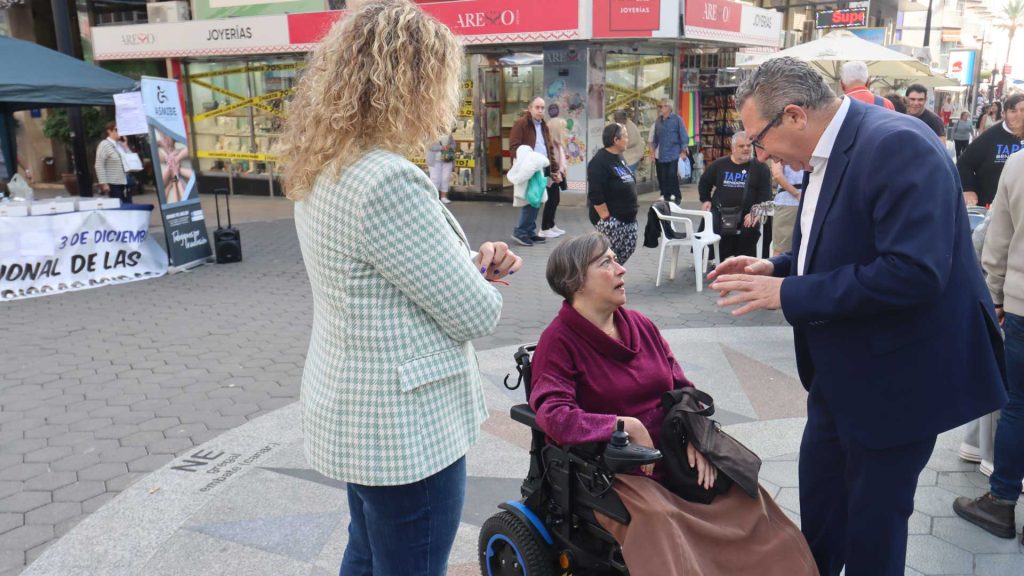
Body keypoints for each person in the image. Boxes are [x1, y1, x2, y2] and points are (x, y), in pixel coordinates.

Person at [707, 57, 1007, 576]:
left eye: (758, 139)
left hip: (895, 380)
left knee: (873, 526)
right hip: (840, 375)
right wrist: (777, 265)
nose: (759, 154)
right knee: (822, 512)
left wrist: (789, 292)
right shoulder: (828, 153)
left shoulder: (897, 144)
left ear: (796, 116)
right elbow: (840, 243)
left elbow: (913, 272)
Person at [275, 2, 523, 574]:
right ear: (413, 84)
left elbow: (377, 274)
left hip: (357, 408)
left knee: (365, 550)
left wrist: (464, 263)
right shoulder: (389, 178)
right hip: (406, 427)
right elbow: (475, 315)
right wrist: (480, 280)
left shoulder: (329, 163)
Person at [530, 232, 819, 576]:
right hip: (610, 468)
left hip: (671, 448)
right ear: (575, 281)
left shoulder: (641, 325)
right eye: (606, 263)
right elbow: (553, 414)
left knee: (743, 494)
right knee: (662, 522)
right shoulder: (559, 341)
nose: (621, 269)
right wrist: (623, 426)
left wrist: (696, 434)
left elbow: (682, 386)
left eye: (616, 259)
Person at [954, 151, 1024, 543]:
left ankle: (1001, 501)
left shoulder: (1018, 164)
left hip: (1021, 304)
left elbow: (997, 241)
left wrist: (995, 295)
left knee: (1018, 404)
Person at [698, 131, 772, 261]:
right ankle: (720, 259)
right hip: (721, 210)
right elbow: (704, 182)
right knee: (713, 226)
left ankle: (742, 260)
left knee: (750, 227)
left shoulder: (760, 167)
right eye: (741, 146)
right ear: (732, 148)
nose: (746, 149)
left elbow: (765, 194)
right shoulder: (719, 164)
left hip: (747, 212)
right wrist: (705, 200)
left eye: (749, 146)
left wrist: (756, 211)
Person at [957, 93, 1024, 208]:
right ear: (1004, 114)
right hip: (992, 205)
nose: (1020, 115)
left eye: (1023, 110)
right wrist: (968, 189)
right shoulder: (990, 136)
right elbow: (964, 163)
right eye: (1013, 111)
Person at [509, 96, 560, 246]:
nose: (540, 110)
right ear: (530, 108)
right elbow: (513, 147)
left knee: (536, 200)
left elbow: (548, 148)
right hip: (530, 168)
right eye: (537, 107)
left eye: (542, 108)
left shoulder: (543, 125)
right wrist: (524, 163)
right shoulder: (521, 124)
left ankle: (530, 231)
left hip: (542, 167)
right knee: (531, 200)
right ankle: (521, 232)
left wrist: (554, 169)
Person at [588, 123, 639, 264]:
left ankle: (611, 280)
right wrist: (606, 218)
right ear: (615, 140)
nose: (627, 139)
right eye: (625, 136)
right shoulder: (599, 162)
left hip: (628, 219)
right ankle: (604, 282)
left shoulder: (620, 157)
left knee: (623, 254)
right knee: (608, 258)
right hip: (613, 220)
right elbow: (595, 193)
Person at [649, 98, 689, 202]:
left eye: (662, 106)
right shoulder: (658, 121)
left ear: (669, 108)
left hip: (674, 152)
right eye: (659, 106)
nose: (660, 109)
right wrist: (652, 151)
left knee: (672, 174)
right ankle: (665, 195)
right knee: (663, 175)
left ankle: (677, 195)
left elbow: (683, 135)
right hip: (662, 153)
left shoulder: (677, 119)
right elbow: (656, 138)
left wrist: (683, 150)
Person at [540, 117, 568, 239]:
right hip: (551, 178)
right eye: (563, 128)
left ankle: (551, 224)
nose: (565, 131)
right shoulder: (550, 144)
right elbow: (550, 161)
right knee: (551, 201)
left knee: (555, 201)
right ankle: (545, 228)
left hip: (556, 176)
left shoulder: (557, 144)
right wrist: (554, 173)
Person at [770, 160, 803, 256]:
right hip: (789, 202)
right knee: (782, 249)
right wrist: (796, 194)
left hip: (798, 200)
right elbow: (777, 174)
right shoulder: (779, 147)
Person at [95, 121, 128, 202]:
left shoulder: (120, 145)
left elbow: (130, 161)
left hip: (125, 182)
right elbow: (99, 165)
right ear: (109, 131)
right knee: (118, 208)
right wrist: (104, 183)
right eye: (117, 129)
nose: (120, 132)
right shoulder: (104, 144)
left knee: (128, 208)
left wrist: (126, 146)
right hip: (113, 183)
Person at [426, 128, 455, 204]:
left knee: (445, 178)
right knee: (435, 179)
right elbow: (429, 146)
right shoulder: (431, 133)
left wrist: (449, 147)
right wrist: (441, 147)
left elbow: (454, 144)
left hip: (447, 159)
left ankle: (443, 197)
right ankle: (434, 197)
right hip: (435, 160)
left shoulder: (449, 134)